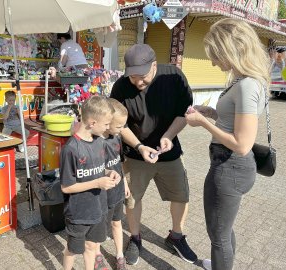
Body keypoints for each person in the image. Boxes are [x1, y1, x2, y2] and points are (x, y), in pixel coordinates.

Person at [185, 18, 270, 270]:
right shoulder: (248, 81)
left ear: (231, 50)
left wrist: (202, 122)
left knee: (218, 235)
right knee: (223, 228)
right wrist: (211, 113)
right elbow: (234, 122)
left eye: (216, 55)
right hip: (232, 166)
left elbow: (242, 144)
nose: (213, 62)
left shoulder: (247, 86)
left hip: (230, 167)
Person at [110, 44, 197, 265]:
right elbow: (119, 125)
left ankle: (176, 236)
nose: (138, 82)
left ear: (154, 66)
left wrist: (168, 136)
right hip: (136, 153)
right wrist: (139, 146)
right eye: (133, 77)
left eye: (143, 76)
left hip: (169, 151)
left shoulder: (173, 77)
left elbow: (184, 111)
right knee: (132, 199)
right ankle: (136, 238)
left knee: (181, 195)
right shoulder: (120, 88)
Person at [59, 95, 121, 270]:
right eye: (107, 124)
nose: (109, 128)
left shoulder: (99, 142)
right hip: (79, 213)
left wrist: (110, 172)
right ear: (92, 123)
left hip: (98, 208)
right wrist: (97, 183)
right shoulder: (71, 149)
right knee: (73, 249)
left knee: (92, 246)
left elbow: (99, 169)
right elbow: (66, 186)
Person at [95, 98, 131, 270]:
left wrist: (125, 184)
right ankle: (97, 255)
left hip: (117, 192)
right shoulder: (95, 143)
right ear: (107, 123)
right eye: (119, 126)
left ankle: (119, 256)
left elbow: (119, 163)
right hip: (102, 196)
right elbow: (92, 170)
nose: (122, 130)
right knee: (99, 229)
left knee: (117, 223)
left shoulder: (116, 138)